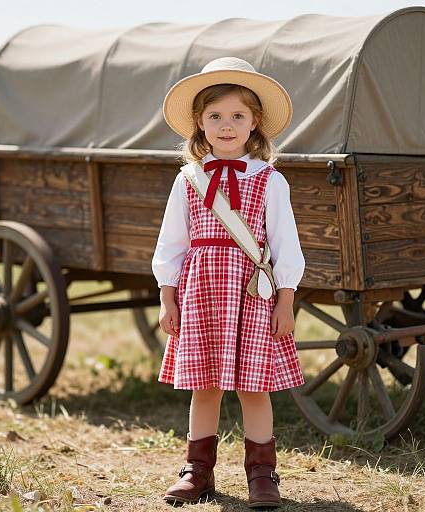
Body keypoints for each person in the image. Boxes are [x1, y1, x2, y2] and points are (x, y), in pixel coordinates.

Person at [152, 56, 305, 508]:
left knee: (254, 386)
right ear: (199, 123)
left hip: (252, 293)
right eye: (215, 116)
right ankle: (197, 471)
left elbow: (285, 244)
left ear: (255, 122)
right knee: (206, 384)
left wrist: (286, 298)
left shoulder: (270, 181)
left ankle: (262, 475)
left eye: (237, 116)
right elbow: (172, 242)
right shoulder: (188, 180)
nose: (226, 125)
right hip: (200, 292)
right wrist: (167, 296)